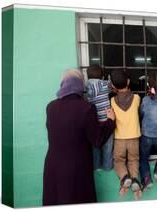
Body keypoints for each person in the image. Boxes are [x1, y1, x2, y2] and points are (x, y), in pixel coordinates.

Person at [43, 69, 115, 205]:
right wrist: (110, 121)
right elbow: (97, 139)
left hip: (53, 167)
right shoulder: (86, 108)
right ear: (80, 86)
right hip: (77, 169)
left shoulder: (50, 107)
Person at [110, 69, 142, 200]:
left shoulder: (112, 101)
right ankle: (134, 179)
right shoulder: (136, 98)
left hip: (119, 138)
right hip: (134, 137)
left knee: (118, 161)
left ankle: (124, 177)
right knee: (134, 160)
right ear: (128, 82)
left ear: (112, 86)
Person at [139, 72, 157, 191]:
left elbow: (141, 114)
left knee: (143, 158)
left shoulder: (145, 100)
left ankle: (146, 179)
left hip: (146, 136)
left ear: (148, 85)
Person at [86, 65, 114, 170]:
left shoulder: (86, 85)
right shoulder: (103, 84)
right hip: (106, 120)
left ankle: (96, 166)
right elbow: (112, 85)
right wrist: (109, 78)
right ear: (101, 77)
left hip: (94, 122)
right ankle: (107, 166)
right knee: (107, 146)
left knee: (95, 146)